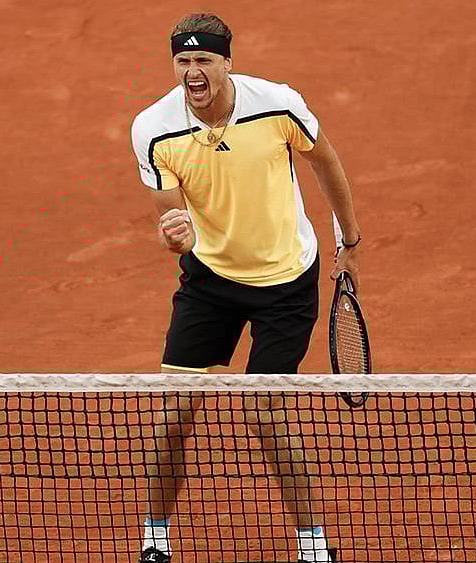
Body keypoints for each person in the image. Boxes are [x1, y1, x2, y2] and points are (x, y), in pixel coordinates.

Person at [129, 12, 361, 563]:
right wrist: (175, 233)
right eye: (183, 61)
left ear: (227, 61)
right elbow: (171, 216)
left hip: (286, 280)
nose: (193, 72)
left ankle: (313, 546)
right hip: (211, 279)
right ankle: (155, 540)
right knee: (172, 415)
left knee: (266, 414)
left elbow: (325, 160)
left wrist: (348, 237)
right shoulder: (153, 128)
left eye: (203, 59)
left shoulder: (277, 104)